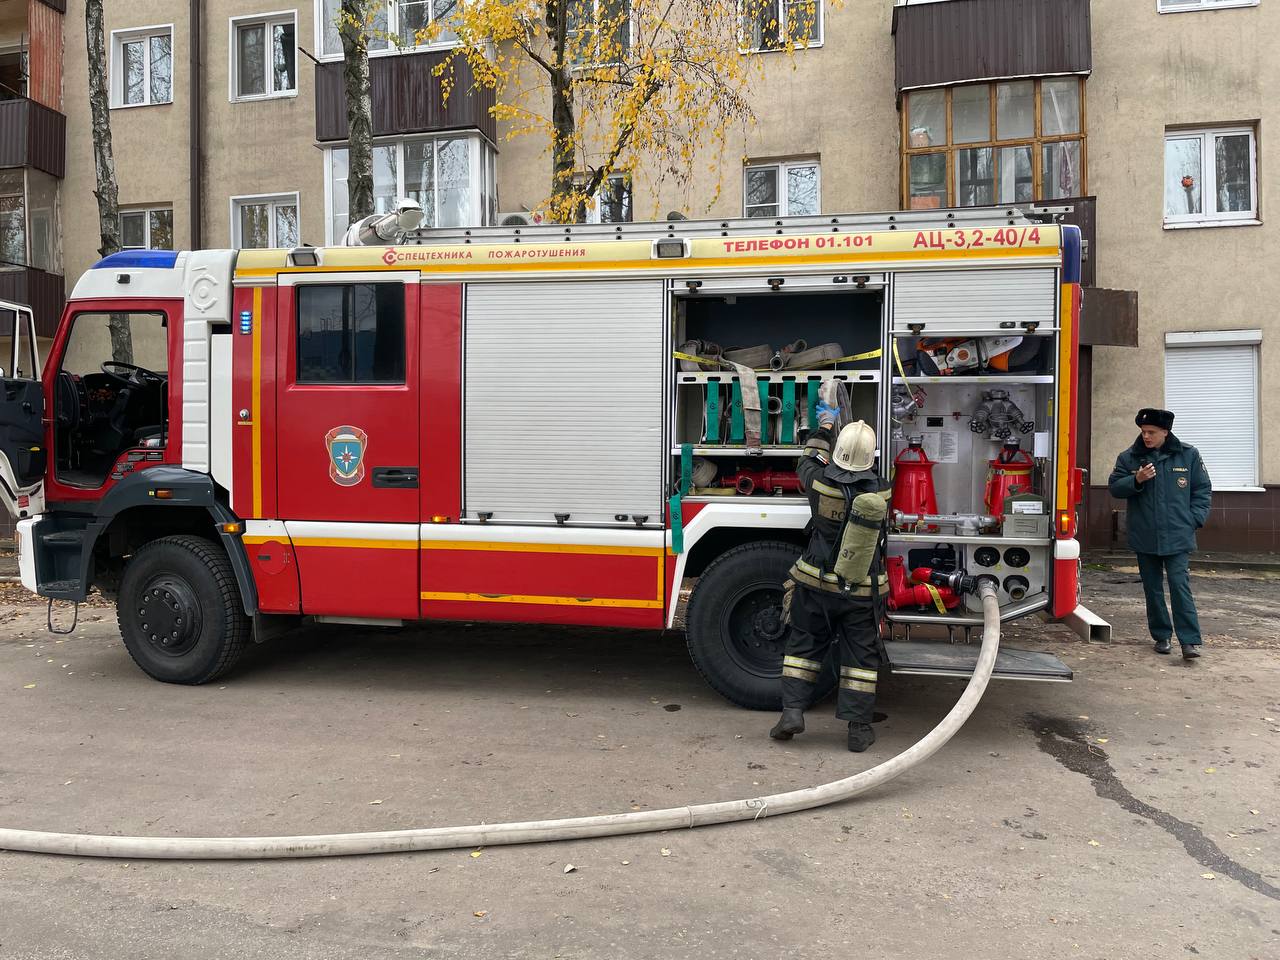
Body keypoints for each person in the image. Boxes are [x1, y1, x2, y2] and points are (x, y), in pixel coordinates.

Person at [770, 398, 891, 752]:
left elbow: (807, 458)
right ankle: (858, 730)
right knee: (860, 659)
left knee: (803, 647)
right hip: (862, 591)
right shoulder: (882, 490)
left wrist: (824, 425)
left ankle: (792, 712)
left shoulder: (819, 483)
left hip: (816, 585)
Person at [1107, 408, 1212, 660]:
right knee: (1152, 589)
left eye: (1151, 432)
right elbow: (1115, 487)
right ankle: (1162, 636)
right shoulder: (1130, 457)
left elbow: (1202, 490)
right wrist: (1137, 480)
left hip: (1178, 535)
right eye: (1143, 432)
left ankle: (1189, 641)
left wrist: (1193, 520)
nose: (1146, 436)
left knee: (1179, 586)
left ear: (1165, 432)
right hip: (1145, 536)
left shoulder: (1188, 455)